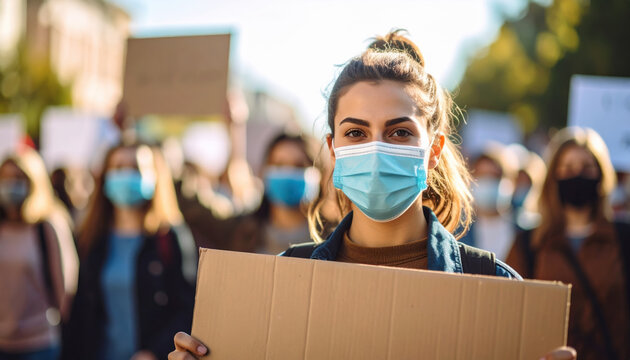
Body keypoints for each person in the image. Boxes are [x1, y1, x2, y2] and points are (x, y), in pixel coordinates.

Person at [169, 31, 575, 360]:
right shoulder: (281, 284)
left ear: (433, 151)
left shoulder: (497, 291)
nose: (377, 149)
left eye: (399, 132)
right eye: (356, 133)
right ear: (334, 150)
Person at [62, 143, 197, 360]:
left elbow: (188, 308)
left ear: (155, 177)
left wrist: (154, 352)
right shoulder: (90, 238)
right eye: (118, 167)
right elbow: (80, 313)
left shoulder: (170, 237)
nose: (126, 174)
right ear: (105, 177)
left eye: (135, 168)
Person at [506, 127, 629, 360]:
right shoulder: (529, 244)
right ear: (554, 177)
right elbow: (510, 315)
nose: (578, 175)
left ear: (601, 176)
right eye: (569, 168)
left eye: (587, 168)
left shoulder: (623, 238)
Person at [0, 148, 78, 360]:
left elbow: (66, 288)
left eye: (17, 178)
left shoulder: (48, 225)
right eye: (5, 179)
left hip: (39, 342)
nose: (10, 186)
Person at [231, 133, 321, 254]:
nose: (288, 172)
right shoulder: (241, 231)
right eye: (279, 165)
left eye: (299, 165)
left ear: (319, 174)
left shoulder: (335, 238)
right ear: (264, 172)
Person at [461, 142, 518, 261]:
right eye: (482, 176)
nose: (488, 182)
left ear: (511, 182)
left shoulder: (525, 234)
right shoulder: (458, 234)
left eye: (494, 176)